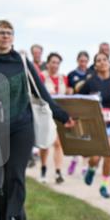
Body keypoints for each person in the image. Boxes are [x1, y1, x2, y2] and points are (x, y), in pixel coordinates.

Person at [0, 20, 72, 220]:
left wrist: (61, 115)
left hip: (21, 125)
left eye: (9, 33)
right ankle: (8, 215)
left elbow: (41, 92)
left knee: (15, 173)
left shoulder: (21, 62)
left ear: (13, 37)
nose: (5, 36)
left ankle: (12, 219)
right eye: (1, 33)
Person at [77, 51, 110, 198]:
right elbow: (79, 99)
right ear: (95, 65)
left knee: (109, 153)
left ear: (109, 63)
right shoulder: (90, 82)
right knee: (94, 158)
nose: (102, 62)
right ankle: (92, 169)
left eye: (104, 59)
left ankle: (104, 186)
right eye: (98, 61)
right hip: (95, 123)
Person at [38, 52, 68, 184]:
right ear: (48, 63)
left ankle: (58, 172)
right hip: (45, 113)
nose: (55, 65)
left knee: (58, 143)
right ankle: (43, 168)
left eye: (57, 63)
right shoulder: (41, 76)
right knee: (45, 143)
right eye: (53, 62)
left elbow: (67, 93)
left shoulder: (63, 78)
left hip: (58, 113)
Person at [65, 51, 89, 175]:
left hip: (88, 108)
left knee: (87, 136)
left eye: (85, 61)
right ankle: (75, 159)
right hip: (75, 107)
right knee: (77, 135)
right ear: (77, 61)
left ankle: (85, 166)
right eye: (81, 61)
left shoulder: (91, 74)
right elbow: (68, 90)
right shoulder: (71, 75)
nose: (83, 63)